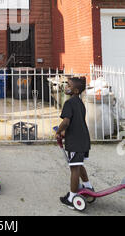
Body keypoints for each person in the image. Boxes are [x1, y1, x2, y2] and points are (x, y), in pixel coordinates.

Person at [56, 77, 94, 209]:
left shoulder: (69, 103)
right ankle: (88, 187)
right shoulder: (80, 103)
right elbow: (76, 122)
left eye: (69, 85)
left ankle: (72, 198)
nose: (66, 86)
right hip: (84, 139)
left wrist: (58, 131)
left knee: (74, 168)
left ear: (76, 90)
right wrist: (65, 132)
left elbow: (66, 121)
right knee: (79, 164)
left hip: (76, 141)